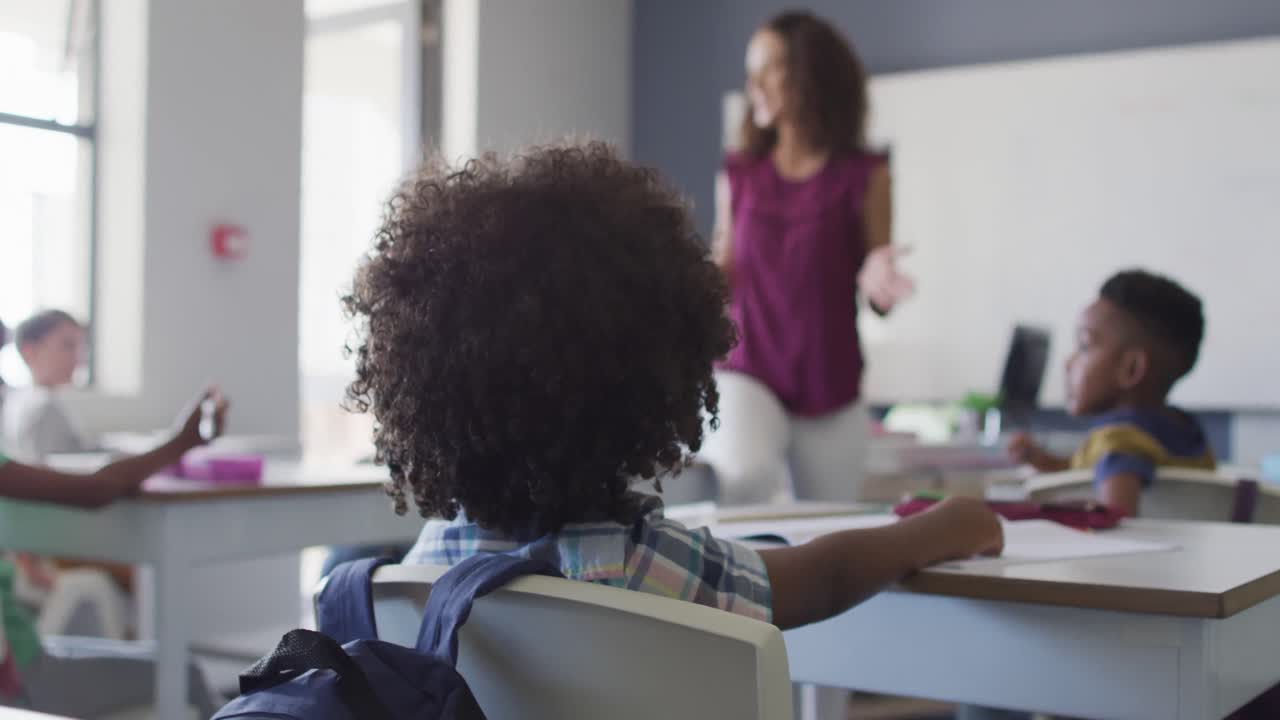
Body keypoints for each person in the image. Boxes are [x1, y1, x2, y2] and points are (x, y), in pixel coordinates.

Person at [342, 141, 1002, 630]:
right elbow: (827, 576)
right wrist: (941, 526)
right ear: (654, 380)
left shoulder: (419, 574)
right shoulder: (645, 569)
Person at [701, 10, 915, 506]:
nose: (752, 84)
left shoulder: (867, 175)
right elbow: (726, 268)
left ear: (810, 77)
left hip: (829, 379)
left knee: (830, 519)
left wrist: (878, 279)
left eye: (767, 69)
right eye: (749, 71)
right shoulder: (740, 174)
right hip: (747, 365)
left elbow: (878, 280)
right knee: (743, 479)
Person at [0, 388, 226, 716]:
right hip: (19, 679)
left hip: (25, 651)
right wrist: (183, 441)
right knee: (186, 675)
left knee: (159, 660)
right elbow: (96, 490)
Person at [1007, 270, 1212, 517]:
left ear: (1131, 368)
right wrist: (1043, 461)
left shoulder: (1119, 444)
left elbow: (1117, 523)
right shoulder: (1188, 434)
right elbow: (1088, 470)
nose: (1069, 362)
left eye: (1084, 346)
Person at [3, 310, 90, 463]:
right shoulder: (43, 408)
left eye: (80, 347)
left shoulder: (15, 399)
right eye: (68, 346)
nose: (78, 360)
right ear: (29, 352)